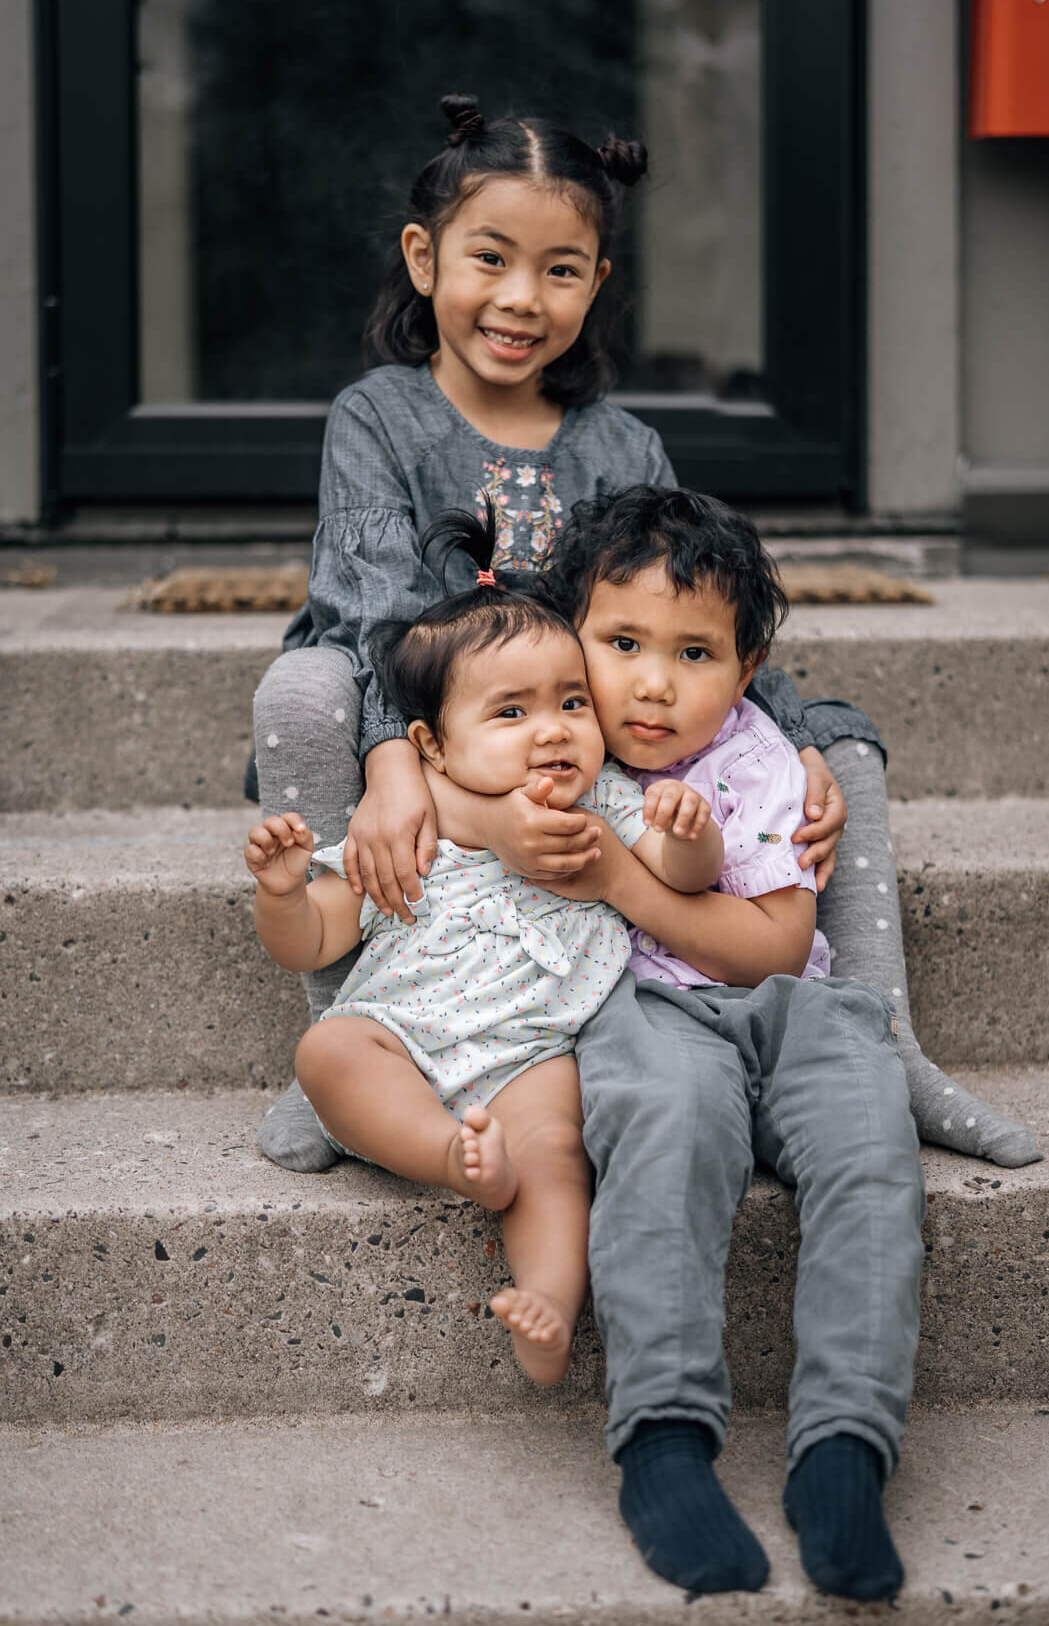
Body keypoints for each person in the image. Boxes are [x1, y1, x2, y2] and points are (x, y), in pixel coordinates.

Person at [251, 90, 1038, 1172]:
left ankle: (881, 1038)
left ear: (598, 284)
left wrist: (794, 736)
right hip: (425, 714)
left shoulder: (621, 445)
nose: (522, 297)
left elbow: (688, 613)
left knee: (835, 743)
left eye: (561, 269)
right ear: (425, 259)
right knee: (298, 691)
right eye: (491, 259)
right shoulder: (381, 415)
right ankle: (354, 1029)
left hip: (586, 729)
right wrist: (393, 763)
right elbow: (372, 603)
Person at [425, 484, 922, 1600]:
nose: (652, 681)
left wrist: (617, 876)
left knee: (869, 1150)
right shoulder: (548, 738)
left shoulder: (757, 763)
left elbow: (778, 948)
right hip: (640, 1012)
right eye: (623, 643)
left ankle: (843, 1447)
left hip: (795, 1007)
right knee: (668, 1128)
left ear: (747, 673)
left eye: (694, 651)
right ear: (570, 641)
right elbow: (443, 771)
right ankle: (663, 1437)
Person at [245, 504, 720, 1385]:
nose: (553, 729)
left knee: (553, 1156)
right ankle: (453, 1160)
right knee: (330, 1050)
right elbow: (313, 941)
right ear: (431, 744)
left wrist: (688, 832)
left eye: (571, 702)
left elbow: (681, 879)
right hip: (403, 1034)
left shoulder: (606, 804)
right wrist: (282, 895)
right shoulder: (410, 829)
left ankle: (547, 1304)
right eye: (511, 712)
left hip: (538, 1049)